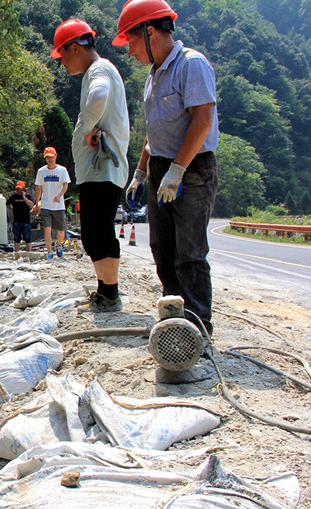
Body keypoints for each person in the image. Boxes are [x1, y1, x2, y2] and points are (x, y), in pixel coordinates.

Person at [113, 0, 218, 334]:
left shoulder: (191, 65)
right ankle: (175, 319)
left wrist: (178, 170)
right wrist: (141, 171)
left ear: (150, 32)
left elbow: (202, 120)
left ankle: (197, 328)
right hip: (161, 167)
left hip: (191, 170)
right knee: (162, 248)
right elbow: (155, 129)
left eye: (130, 40)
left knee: (189, 252)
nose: (130, 50)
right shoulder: (154, 75)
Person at [51, 19, 130, 311]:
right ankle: (103, 289)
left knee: (100, 231)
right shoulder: (96, 72)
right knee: (93, 233)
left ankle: (110, 294)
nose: (62, 63)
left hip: (102, 168)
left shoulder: (99, 70)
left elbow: (98, 96)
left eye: (62, 54)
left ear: (74, 47)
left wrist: (87, 129)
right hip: (96, 170)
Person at [33, 147, 71, 258]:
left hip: (59, 206)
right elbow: (38, 188)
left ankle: (58, 244)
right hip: (46, 205)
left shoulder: (62, 170)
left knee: (61, 230)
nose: (49, 159)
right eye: (47, 157)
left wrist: (59, 195)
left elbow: (65, 185)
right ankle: (49, 251)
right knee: (47, 228)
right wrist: (37, 204)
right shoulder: (41, 171)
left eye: (51, 157)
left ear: (55, 156)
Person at [6, 180, 35, 252]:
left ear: (23, 188)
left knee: (27, 238)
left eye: (20, 188)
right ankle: (16, 252)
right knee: (16, 238)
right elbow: (7, 204)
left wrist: (24, 197)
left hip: (26, 220)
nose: (18, 190)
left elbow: (31, 204)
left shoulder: (28, 196)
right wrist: (11, 209)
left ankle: (29, 252)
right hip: (16, 220)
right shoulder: (13, 197)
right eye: (17, 189)